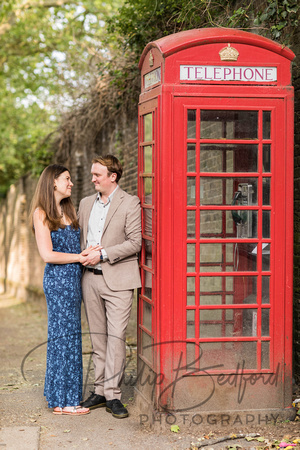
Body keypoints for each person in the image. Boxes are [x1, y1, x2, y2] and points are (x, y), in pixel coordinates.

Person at [30, 164, 98, 416]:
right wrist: (79, 258)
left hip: (74, 281)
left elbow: (78, 247)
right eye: (66, 179)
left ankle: (60, 399)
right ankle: (66, 401)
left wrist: (88, 252)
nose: (71, 183)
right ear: (53, 182)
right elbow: (47, 255)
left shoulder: (69, 211)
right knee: (63, 338)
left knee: (70, 338)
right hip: (58, 282)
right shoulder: (41, 213)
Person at [78, 154, 142, 419]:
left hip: (118, 279)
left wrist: (102, 254)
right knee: (98, 338)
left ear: (112, 177)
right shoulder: (84, 204)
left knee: (116, 339)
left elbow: (135, 242)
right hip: (89, 279)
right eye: (93, 174)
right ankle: (100, 390)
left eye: (97, 175)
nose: (93, 179)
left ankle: (113, 395)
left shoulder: (130, 203)